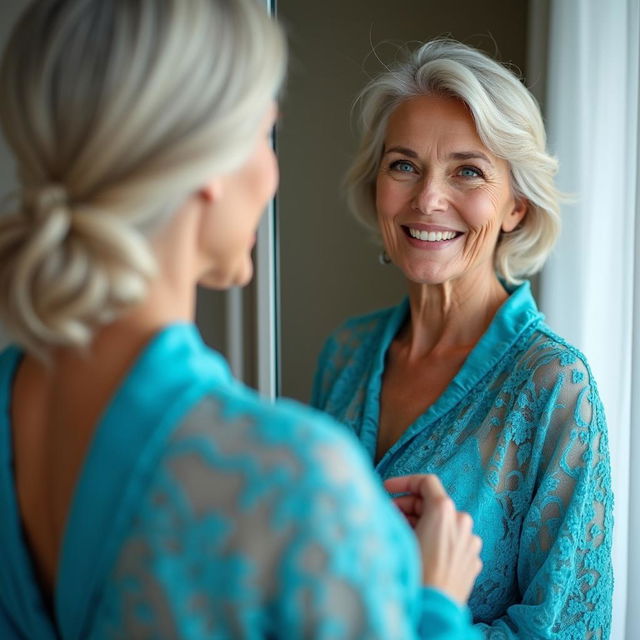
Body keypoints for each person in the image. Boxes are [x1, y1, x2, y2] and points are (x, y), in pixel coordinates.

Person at [0, 2, 485, 639]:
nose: (270, 174)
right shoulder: (302, 486)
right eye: (266, 136)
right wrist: (434, 609)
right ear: (208, 164)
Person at [312, 39, 613, 638]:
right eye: (404, 165)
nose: (427, 199)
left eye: (468, 171)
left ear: (516, 207)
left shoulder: (554, 386)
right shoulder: (344, 353)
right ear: (377, 186)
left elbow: (568, 632)